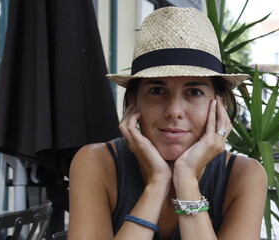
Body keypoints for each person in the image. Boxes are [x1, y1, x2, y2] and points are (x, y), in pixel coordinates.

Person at [68, 6, 267, 240]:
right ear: (133, 101)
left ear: (219, 103)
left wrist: (186, 178)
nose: (174, 111)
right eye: (157, 90)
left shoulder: (244, 176)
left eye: (193, 92)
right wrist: (157, 183)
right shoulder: (96, 163)